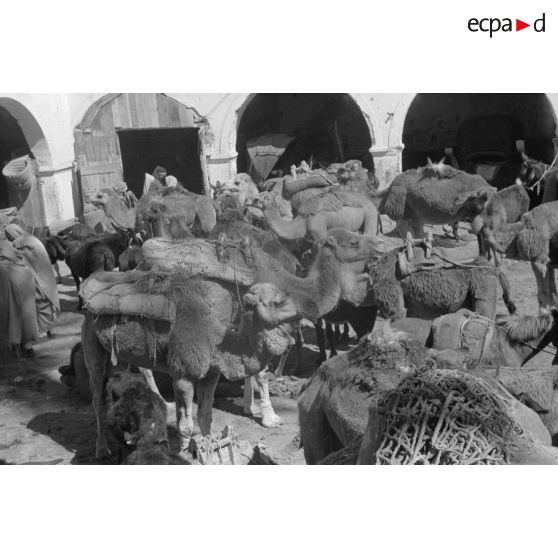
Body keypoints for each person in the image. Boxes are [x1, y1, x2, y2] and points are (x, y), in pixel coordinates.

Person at [5, 224, 60, 336]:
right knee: (47, 303)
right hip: (46, 276)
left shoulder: (20, 243)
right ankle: (49, 329)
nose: (9, 238)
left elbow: (19, 260)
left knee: (40, 302)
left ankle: (43, 330)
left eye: (9, 235)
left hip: (37, 278)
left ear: (13, 233)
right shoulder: (33, 239)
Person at [0, 240, 38, 356]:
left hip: (9, 311)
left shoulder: (3, 269)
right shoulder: (25, 269)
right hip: (27, 314)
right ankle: (26, 347)